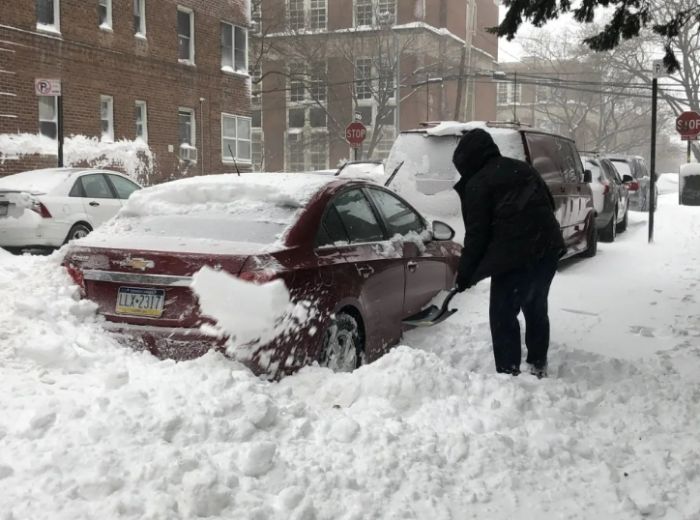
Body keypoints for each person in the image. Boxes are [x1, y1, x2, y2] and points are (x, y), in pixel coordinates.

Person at [452, 129, 565, 378]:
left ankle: (507, 374)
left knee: (502, 315)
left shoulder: (478, 183)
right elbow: (549, 202)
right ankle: (537, 365)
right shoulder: (521, 168)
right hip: (547, 249)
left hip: (516, 257)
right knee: (535, 307)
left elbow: (476, 235)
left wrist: (464, 273)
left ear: (468, 160)